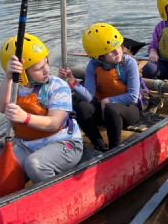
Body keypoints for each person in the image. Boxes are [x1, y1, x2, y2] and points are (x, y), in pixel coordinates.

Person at [0, 33, 83, 183]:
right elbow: (1, 107)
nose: (47, 70)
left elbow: (55, 123)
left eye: (46, 63)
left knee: (34, 164)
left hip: (65, 144)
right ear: (22, 73)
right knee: (3, 171)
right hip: (28, 145)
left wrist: (25, 118)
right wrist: (8, 77)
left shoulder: (57, 86)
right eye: (39, 68)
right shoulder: (13, 88)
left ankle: (56, 192)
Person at [59, 23, 142, 152]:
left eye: (118, 46)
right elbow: (88, 96)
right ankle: (99, 145)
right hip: (103, 113)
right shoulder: (93, 65)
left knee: (111, 108)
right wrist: (72, 81)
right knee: (82, 107)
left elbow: (133, 97)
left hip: (127, 110)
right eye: (111, 51)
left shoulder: (129, 63)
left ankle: (114, 149)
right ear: (100, 56)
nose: (117, 51)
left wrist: (108, 101)